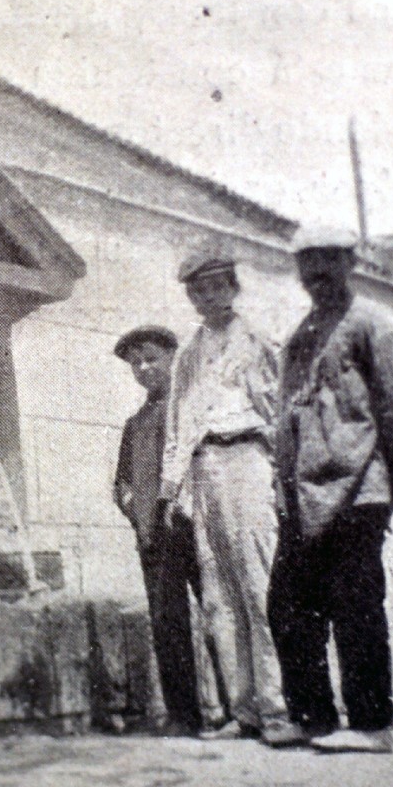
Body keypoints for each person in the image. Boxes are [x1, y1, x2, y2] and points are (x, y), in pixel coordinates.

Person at [267, 228, 393, 753]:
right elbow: (290, 416)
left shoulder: (371, 326)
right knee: (289, 606)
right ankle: (312, 717)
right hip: (303, 495)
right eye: (308, 262)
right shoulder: (301, 333)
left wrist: (387, 487)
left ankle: (372, 725)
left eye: (329, 261)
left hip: (358, 490)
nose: (318, 273)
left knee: (356, 606)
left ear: (350, 263)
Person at [157, 255, 290, 745]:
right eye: (198, 291)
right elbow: (178, 423)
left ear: (233, 288)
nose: (208, 298)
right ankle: (244, 710)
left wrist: (282, 474)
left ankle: (279, 708)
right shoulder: (189, 354)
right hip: (204, 467)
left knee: (260, 584)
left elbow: (279, 409)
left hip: (248, 458)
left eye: (216, 288)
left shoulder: (257, 341)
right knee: (218, 594)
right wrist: (171, 489)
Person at [112, 325, 201, 736]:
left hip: (192, 526)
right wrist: (132, 506)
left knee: (218, 613)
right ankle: (184, 714)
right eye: (136, 362)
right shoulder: (136, 423)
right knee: (168, 623)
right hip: (153, 536)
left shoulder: (188, 409)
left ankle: (238, 708)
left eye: (152, 358)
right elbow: (122, 480)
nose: (145, 367)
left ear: (173, 358)